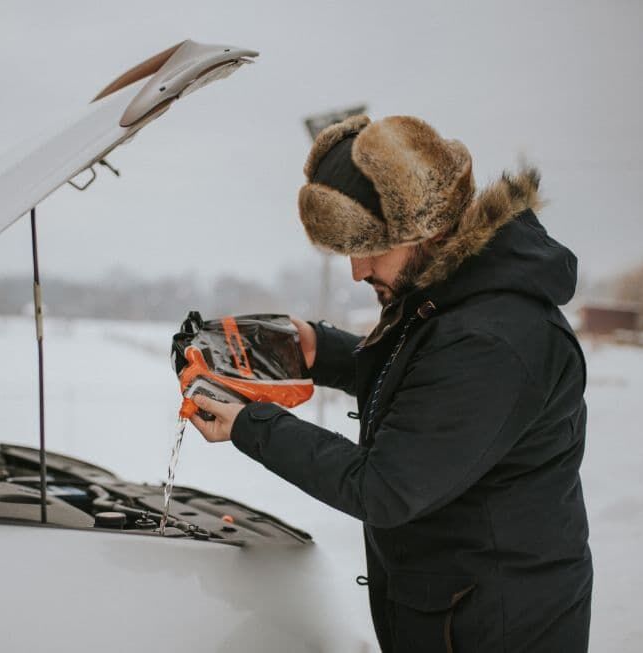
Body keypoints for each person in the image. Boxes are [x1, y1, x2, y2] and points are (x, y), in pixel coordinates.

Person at [189, 114, 592, 652]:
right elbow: (426, 390)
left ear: (426, 227)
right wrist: (318, 349)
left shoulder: (494, 339)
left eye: (369, 247)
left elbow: (386, 486)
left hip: (494, 629)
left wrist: (251, 424)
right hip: (455, 610)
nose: (357, 271)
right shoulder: (456, 294)